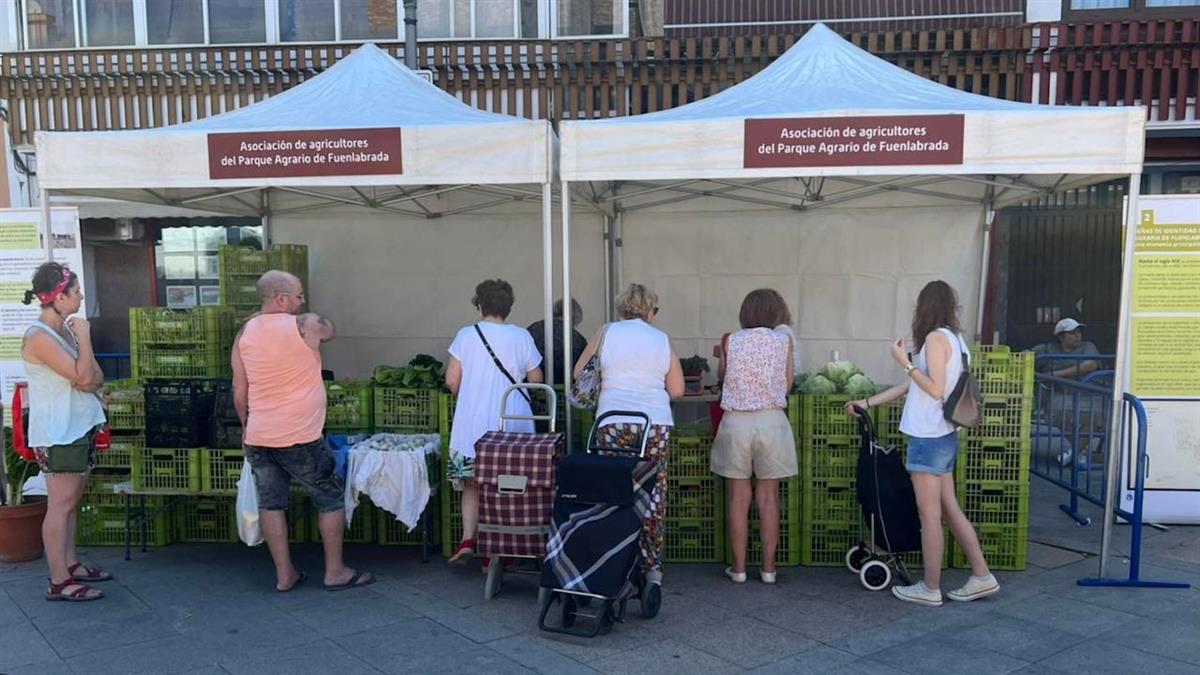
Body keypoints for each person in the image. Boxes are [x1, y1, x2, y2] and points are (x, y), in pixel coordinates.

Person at [844, 280, 998, 607]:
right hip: (944, 436)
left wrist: (904, 360)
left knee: (929, 515)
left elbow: (934, 389)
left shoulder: (935, 339)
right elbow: (911, 387)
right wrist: (867, 402)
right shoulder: (956, 340)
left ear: (924, 308)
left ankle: (929, 587)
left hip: (928, 438)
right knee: (948, 509)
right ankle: (982, 576)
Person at [232, 270, 374, 592]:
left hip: (259, 436)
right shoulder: (305, 324)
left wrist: (246, 427)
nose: (302, 300)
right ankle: (334, 571)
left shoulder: (244, 333)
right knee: (329, 496)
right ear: (281, 299)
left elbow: (239, 389)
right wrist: (308, 314)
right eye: (298, 295)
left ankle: (285, 575)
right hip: (300, 436)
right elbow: (331, 330)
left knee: (272, 503)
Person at [574, 283, 685, 588]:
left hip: (612, 421)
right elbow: (676, 389)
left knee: (613, 490)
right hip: (654, 425)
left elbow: (578, 373)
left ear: (622, 307)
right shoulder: (661, 339)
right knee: (652, 491)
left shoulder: (606, 332)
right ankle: (652, 569)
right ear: (651, 310)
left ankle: (613, 557)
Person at [20, 262, 108, 602]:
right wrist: (85, 337)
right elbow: (86, 378)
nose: (81, 296)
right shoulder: (39, 337)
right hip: (59, 432)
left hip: (77, 425)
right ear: (58, 297)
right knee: (61, 504)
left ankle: (70, 565)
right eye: (75, 292)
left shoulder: (64, 331)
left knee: (71, 503)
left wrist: (83, 352)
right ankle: (58, 579)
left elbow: (93, 375)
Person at [445, 279, 543, 563]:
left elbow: (452, 381)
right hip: (512, 424)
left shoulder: (465, 335)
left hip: (472, 424)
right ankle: (499, 549)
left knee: (473, 483)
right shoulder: (522, 336)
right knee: (507, 485)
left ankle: (467, 539)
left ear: (479, 305)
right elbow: (536, 380)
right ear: (509, 307)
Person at [711, 289, 797, 585]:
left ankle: (739, 569)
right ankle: (769, 570)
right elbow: (787, 382)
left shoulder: (730, 340)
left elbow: (722, 376)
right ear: (776, 312)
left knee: (738, 499)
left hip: (736, 422)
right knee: (769, 499)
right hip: (772, 421)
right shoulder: (783, 341)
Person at [527, 298, 587, 387]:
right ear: (574, 318)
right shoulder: (579, 340)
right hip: (566, 390)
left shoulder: (533, 330)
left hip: (535, 388)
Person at [1032, 318, 1101, 379]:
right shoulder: (1047, 349)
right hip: (1055, 392)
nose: (1077, 336)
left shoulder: (1088, 346)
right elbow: (1025, 356)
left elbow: (1090, 366)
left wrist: (1055, 374)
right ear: (1061, 337)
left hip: (1087, 392)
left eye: (1079, 332)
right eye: (1072, 333)